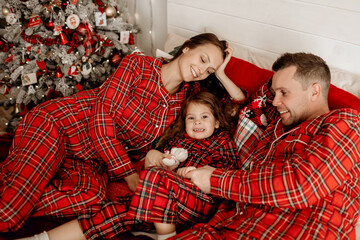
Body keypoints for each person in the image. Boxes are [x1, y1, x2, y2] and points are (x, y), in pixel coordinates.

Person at [0, 33, 240, 240]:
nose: (202, 69)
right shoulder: (139, 65)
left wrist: (220, 72)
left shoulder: (187, 99)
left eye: (209, 69)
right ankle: (17, 196)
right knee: (8, 215)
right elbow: (100, 123)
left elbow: (237, 104)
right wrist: (129, 174)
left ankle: (20, 190)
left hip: (93, 160)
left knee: (92, 198)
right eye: (202, 59)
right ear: (187, 47)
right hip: (60, 125)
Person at [164, 52, 360, 239]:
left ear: (315, 91)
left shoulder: (345, 122)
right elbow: (247, 100)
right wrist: (221, 72)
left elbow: (301, 187)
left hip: (291, 230)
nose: (275, 101)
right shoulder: (275, 127)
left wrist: (215, 180)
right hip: (229, 224)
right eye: (274, 93)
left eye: (284, 92)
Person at [134, 91, 240, 240]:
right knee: (123, 206)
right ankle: (149, 225)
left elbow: (228, 174)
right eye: (191, 118)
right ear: (184, 123)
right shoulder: (177, 141)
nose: (197, 122)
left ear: (216, 122)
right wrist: (163, 161)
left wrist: (196, 172)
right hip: (171, 199)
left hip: (201, 201)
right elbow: (158, 168)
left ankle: (166, 236)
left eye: (204, 116)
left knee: (155, 175)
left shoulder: (222, 142)